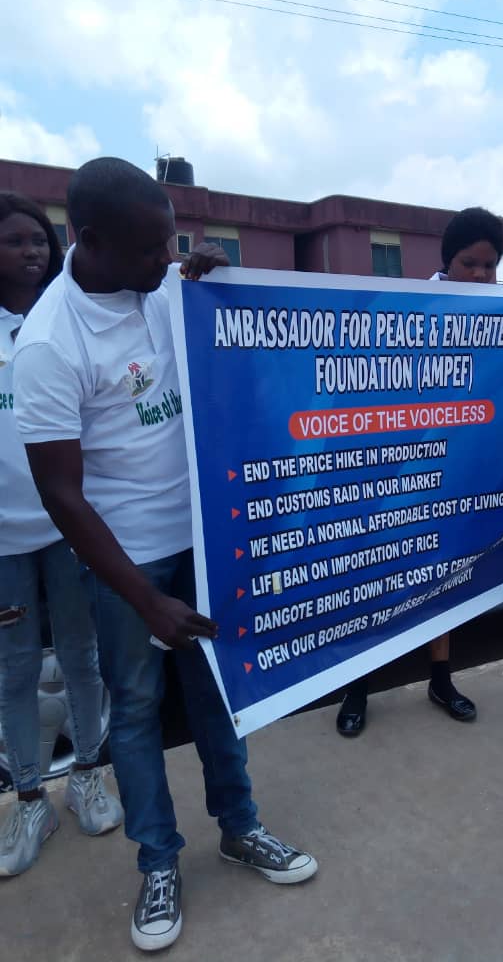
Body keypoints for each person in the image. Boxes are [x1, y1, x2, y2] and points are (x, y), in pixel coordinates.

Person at [13, 159, 317, 951]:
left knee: (221, 694)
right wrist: (147, 603)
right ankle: (157, 862)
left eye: (172, 242)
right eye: (153, 248)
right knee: (139, 709)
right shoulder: (49, 343)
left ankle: (240, 826)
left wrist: (211, 277)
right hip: (129, 567)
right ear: (91, 241)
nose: (168, 258)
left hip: (211, 541)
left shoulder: (166, 287)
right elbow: (63, 497)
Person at [335, 207, 503, 736]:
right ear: (445, 261)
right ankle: (357, 687)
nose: (479, 275)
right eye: (468, 263)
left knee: (444, 579)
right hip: (393, 471)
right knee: (374, 580)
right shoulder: (409, 310)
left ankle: (440, 680)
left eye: (489, 266)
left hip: (457, 473)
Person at [0, 194, 123, 877]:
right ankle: (27, 798)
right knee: (15, 668)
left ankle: (87, 778)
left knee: (81, 653)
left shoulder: (64, 318)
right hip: (3, 540)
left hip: (68, 525)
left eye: (39, 239)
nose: (33, 251)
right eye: (15, 241)